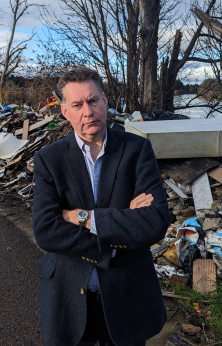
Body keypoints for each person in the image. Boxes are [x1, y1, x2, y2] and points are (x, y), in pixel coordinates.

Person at [32, 67, 170, 346]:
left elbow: (155, 221)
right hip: (69, 296)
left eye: (93, 101)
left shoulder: (136, 150)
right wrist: (122, 226)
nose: (87, 111)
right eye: (77, 104)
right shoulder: (49, 159)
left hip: (126, 295)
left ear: (105, 101)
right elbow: (46, 230)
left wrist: (80, 217)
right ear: (64, 111)